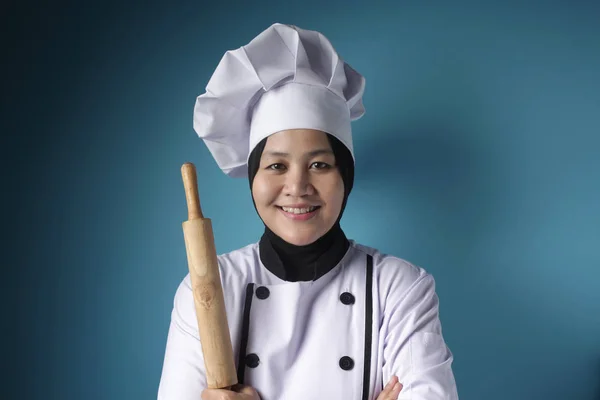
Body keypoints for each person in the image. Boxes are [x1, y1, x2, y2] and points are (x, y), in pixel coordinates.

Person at [157, 23, 459, 400]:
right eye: (276, 166)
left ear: (345, 176)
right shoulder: (209, 287)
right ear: (253, 178)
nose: (297, 188)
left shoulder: (399, 287)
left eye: (319, 165)